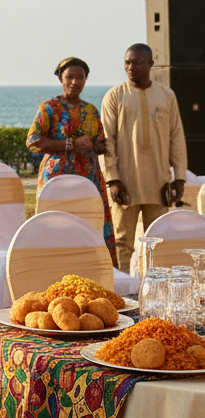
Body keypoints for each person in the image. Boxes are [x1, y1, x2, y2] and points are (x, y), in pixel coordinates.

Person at [102, 43, 188, 273]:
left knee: (158, 241)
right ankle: (124, 293)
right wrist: (112, 179)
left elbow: (176, 137)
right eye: (127, 63)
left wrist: (179, 178)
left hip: (159, 182)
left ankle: (153, 289)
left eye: (138, 62)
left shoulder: (166, 96)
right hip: (125, 183)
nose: (131, 67)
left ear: (151, 64)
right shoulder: (114, 96)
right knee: (122, 241)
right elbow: (106, 141)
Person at [26, 56, 118, 266]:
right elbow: (33, 142)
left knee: (89, 225)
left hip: (89, 178)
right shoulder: (49, 108)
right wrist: (70, 144)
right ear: (61, 79)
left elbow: (98, 143)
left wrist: (106, 145)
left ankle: (93, 270)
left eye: (80, 77)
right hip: (58, 179)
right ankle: (52, 269)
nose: (75, 82)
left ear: (86, 80)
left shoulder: (91, 110)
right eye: (70, 77)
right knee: (57, 227)